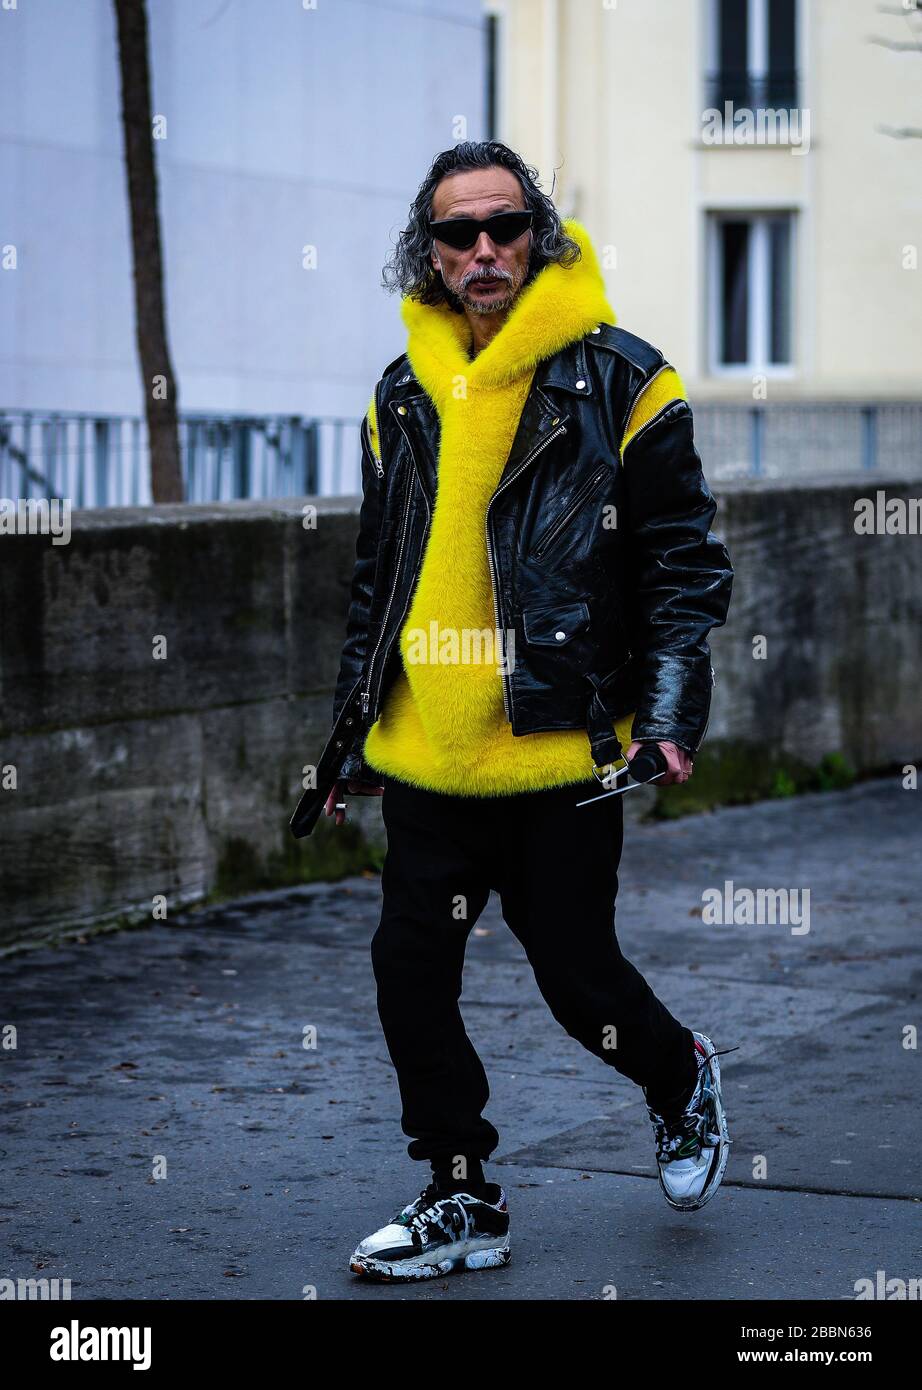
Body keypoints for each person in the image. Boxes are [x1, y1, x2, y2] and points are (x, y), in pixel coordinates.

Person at [314, 142, 734, 1282]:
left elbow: (684, 566)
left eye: (505, 226)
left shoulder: (620, 378)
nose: (484, 250)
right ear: (431, 251)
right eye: (459, 233)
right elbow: (380, 577)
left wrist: (668, 707)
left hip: (561, 753)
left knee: (579, 983)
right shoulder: (400, 392)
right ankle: (461, 1194)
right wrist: (348, 733)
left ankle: (677, 1075)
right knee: (410, 971)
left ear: (536, 235)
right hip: (426, 762)